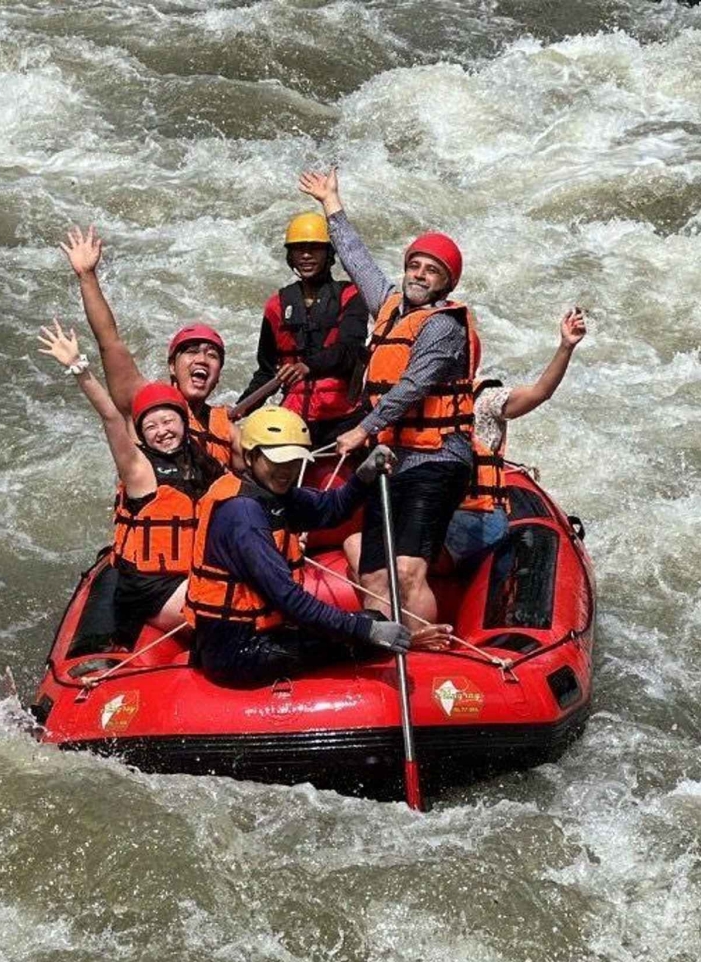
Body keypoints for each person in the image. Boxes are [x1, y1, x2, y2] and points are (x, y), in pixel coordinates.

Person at [298, 167, 479, 628]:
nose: (420, 273)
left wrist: (361, 429)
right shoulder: (389, 306)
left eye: (432, 270)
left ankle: (422, 653)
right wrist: (331, 205)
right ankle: (383, 644)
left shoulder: (444, 325)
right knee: (375, 573)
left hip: (437, 461)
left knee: (406, 571)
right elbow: (357, 260)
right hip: (392, 457)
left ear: (446, 284)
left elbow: (412, 386)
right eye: (415, 264)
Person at [185, 406, 448, 685]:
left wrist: (364, 476)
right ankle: (414, 642)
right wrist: (365, 631)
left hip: (261, 633)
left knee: (371, 619)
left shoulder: (275, 495)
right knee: (365, 635)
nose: (287, 471)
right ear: (250, 456)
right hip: (236, 652)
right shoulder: (242, 515)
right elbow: (290, 601)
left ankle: (401, 639)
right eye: (278, 461)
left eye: (295, 461)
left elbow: (330, 509)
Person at [38, 321, 223, 644]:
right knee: (228, 614)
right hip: (150, 587)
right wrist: (79, 367)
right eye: (150, 426)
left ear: (184, 422)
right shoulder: (137, 467)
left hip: (187, 573)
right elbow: (111, 416)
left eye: (168, 421)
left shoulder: (203, 464)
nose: (161, 431)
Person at [60, 225, 238, 468]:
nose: (202, 359)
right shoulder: (142, 399)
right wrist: (87, 276)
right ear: (172, 367)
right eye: (191, 351)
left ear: (218, 376)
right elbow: (109, 341)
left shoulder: (226, 426)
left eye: (212, 355)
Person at [445, 307, 589, 566]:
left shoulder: (485, 399)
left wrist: (566, 346)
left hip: (476, 516)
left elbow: (539, 392)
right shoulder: (413, 396)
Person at [238, 212, 370, 449]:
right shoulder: (276, 305)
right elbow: (267, 371)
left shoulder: (351, 296)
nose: (306, 255)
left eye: (314, 248)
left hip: (343, 418)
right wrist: (240, 409)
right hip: (293, 421)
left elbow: (348, 351)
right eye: (299, 249)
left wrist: (308, 366)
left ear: (329, 253)